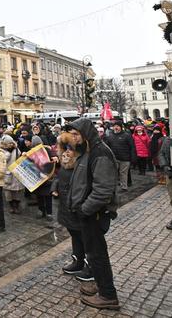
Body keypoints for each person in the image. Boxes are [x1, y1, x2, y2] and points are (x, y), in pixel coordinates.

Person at [64, 119, 120, 310]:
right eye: (72, 134)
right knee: (94, 253)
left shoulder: (100, 153)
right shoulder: (88, 151)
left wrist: (84, 209)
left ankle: (107, 295)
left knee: (97, 254)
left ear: (86, 134)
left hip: (94, 214)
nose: (73, 138)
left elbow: (103, 190)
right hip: (87, 213)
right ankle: (100, 283)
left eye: (76, 134)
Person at [51, 131, 87, 276]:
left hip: (77, 206)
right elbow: (58, 178)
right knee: (74, 234)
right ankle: (77, 260)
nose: (66, 152)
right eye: (64, 149)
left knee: (84, 236)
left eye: (69, 149)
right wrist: (55, 188)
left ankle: (87, 264)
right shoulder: (65, 165)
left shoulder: (81, 165)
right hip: (65, 205)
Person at [103, 120, 135, 192]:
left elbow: (132, 147)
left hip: (125, 158)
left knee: (123, 173)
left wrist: (133, 158)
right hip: (114, 158)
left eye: (117, 126)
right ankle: (113, 187)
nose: (116, 127)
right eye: (114, 126)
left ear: (121, 127)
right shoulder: (110, 136)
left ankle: (124, 187)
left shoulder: (127, 135)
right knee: (113, 173)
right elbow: (107, 147)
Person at [1, 135, 24, 214]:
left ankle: (16, 206)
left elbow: (20, 158)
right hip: (7, 174)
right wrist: (8, 153)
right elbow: (3, 161)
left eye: (11, 143)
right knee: (8, 192)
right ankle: (11, 206)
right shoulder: (1, 151)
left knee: (17, 192)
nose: (10, 145)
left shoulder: (17, 149)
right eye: (8, 143)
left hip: (17, 173)